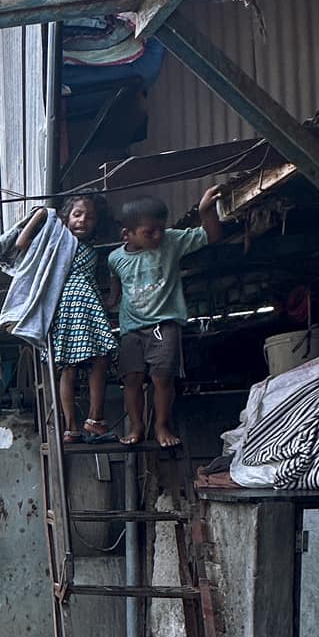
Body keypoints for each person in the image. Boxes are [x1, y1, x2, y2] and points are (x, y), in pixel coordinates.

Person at [108, 186, 226, 449]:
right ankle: (137, 426)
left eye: (161, 228)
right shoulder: (115, 258)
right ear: (127, 234)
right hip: (131, 329)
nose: (158, 235)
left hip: (164, 324)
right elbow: (115, 282)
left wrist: (205, 210)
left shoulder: (171, 242)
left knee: (162, 378)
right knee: (131, 379)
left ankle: (161, 425)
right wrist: (111, 300)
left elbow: (212, 235)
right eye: (149, 232)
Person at [13, 193, 115, 442]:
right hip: (75, 303)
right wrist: (41, 215)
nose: (83, 221)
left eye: (89, 217)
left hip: (81, 304)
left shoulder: (90, 247)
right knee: (97, 359)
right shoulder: (58, 241)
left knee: (72, 366)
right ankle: (92, 420)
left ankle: (73, 428)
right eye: (77, 215)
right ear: (66, 217)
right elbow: (22, 243)